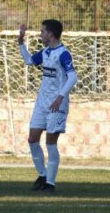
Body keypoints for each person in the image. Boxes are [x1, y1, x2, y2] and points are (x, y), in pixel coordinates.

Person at [18, 19, 78, 193]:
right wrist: (21, 41)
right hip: (42, 103)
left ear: (51, 34)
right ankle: (43, 175)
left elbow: (73, 77)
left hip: (57, 105)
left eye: (42, 31)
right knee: (32, 139)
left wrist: (60, 97)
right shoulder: (45, 52)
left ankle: (50, 183)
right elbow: (29, 60)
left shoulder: (63, 53)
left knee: (51, 143)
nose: (40, 34)